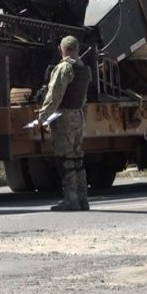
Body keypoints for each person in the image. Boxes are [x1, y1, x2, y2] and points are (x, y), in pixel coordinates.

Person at [38, 35, 91, 211]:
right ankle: (83, 198)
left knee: (65, 159)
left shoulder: (64, 68)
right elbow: (83, 98)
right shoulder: (84, 69)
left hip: (64, 118)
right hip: (78, 116)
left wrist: (43, 116)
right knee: (77, 158)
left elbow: (55, 95)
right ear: (77, 49)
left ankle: (71, 198)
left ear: (62, 50)